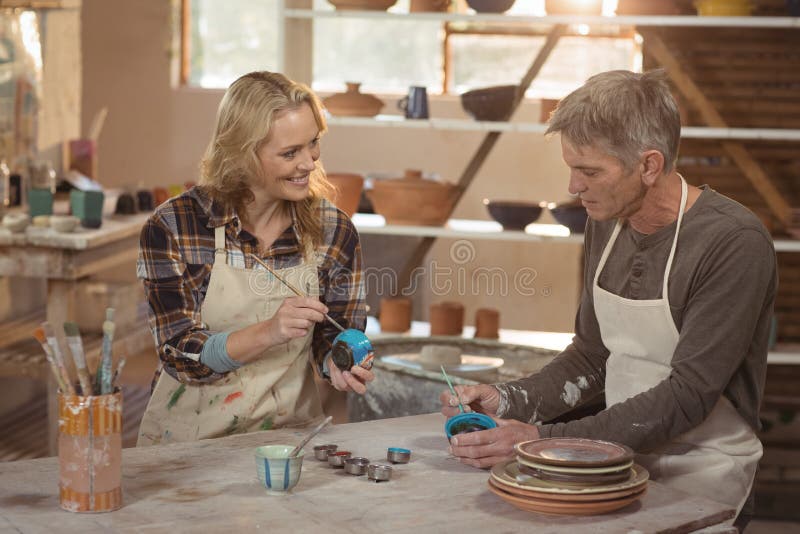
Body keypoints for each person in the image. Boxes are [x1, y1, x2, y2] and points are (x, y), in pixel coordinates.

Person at [440, 69, 776, 528]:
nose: (573, 187)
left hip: (702, 470)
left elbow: (689, 395)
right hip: (611, 461)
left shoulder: (732, 243)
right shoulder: (606, 221)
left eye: (590, 171)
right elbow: (592, 356)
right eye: (571, 168)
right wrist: (509, 400)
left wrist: (541, 438)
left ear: (649, 166)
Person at [137, 71, 373, 446]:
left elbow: (335, 332)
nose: (309, 163)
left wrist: (338, 363)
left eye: (313, 143)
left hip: (288, 441)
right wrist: (270, 332)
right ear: (241, 155)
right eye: (289, 153)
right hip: (188, 445)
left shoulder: (334, 230)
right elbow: (180, 353)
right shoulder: (176, 226)